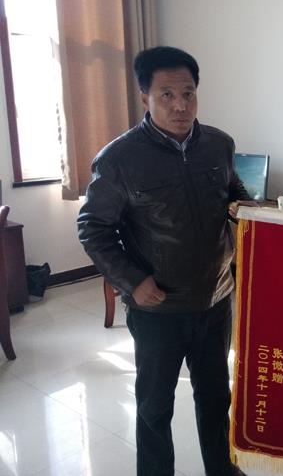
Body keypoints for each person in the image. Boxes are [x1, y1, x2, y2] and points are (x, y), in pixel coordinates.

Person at [77, 46, 249, 476]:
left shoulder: (219, 145)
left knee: (216, 398)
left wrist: (246, 207)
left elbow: (234, 192)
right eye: (167, 95)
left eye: (188, 94)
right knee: (155, 407)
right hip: (158, 308)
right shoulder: (119, 159)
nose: (180, 106)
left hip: (215, 300)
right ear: (145, 98)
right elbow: (93, 227)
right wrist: (132, 281)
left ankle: (222, 470)